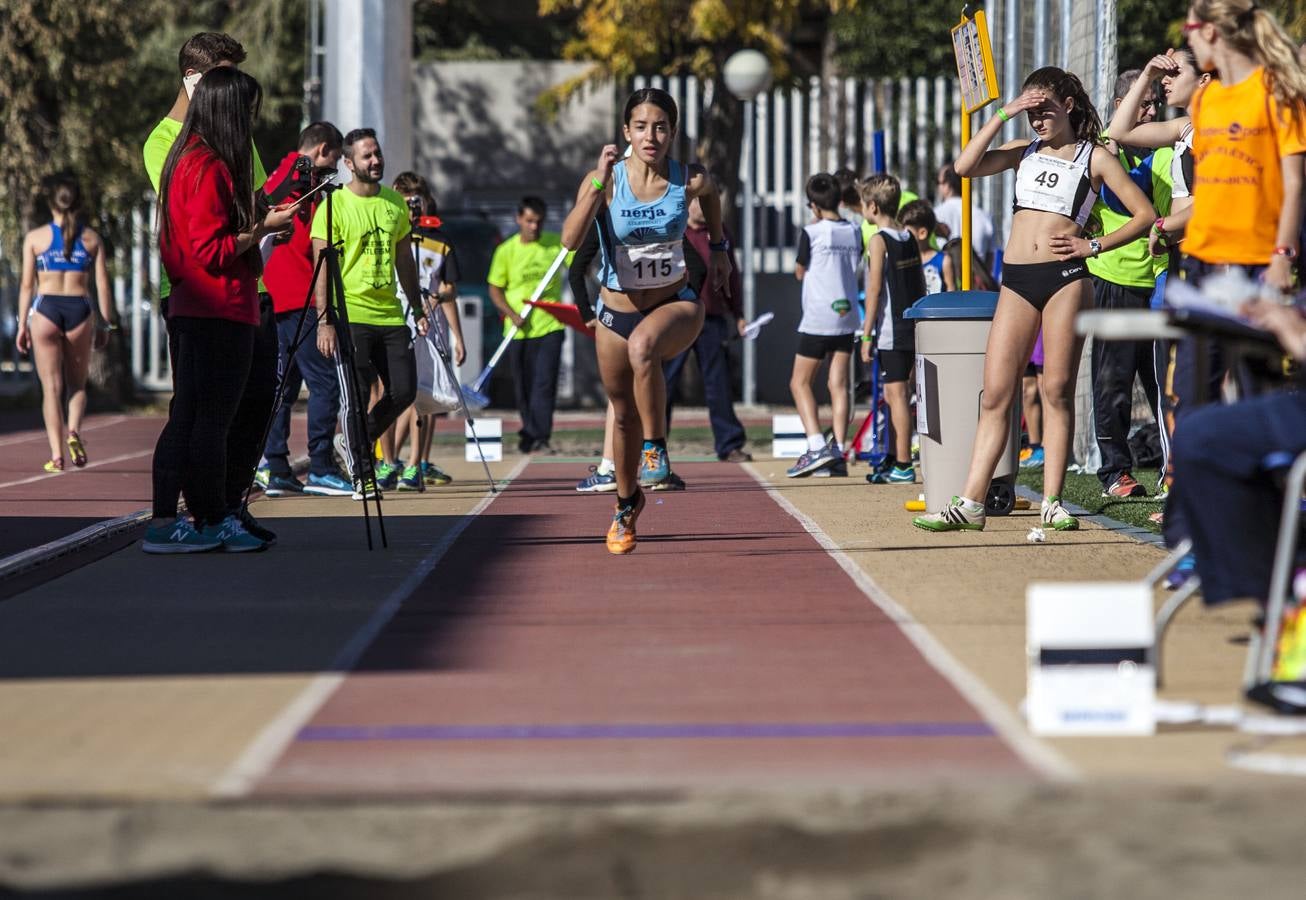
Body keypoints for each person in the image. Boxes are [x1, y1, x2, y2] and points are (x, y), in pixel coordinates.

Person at [913, 66, 1153, 533]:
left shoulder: (1095, 156)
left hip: (1065, 277)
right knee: (997, 393)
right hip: (1017, 279)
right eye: (1031, 112)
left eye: (1044, 109)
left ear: (1067, 103)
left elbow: (1144, 215)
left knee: (1056, 390)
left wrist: (1094, 245)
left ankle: (1053, 501)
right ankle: (971, 502)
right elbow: (965, 167)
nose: (1037, 119)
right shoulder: (1023, 151)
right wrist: (1004, 113)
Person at [1158, 0, 1306, 573]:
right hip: (1203, 266)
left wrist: (1282, 254)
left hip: (1255, 267)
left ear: (1211, 30)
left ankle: (1272, 540)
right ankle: (1186, 539)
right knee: (1191, 400)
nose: (1186, 38)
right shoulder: (1205, 98)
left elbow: (1294, 184)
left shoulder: (1276, 90)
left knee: (1260, 402)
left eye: (1190, 28)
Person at [560, 87, 730, 554]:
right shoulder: (607, 180)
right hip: (615, 311)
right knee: (620, 418)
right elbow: (571, 242)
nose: (650, 135)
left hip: (676, 302)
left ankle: (657, 447)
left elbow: (711, 194)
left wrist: (718, 249)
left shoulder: (688, 178)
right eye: (641, 126)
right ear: (625, 132)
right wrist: (595, 183)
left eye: (660, 127)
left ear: (672, 131)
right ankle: (625, 503)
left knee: (644, 349)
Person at [143, 68, 296, 554]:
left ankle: (197, 517)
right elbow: (209, 250)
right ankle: (209, 516)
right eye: (246, 112)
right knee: (210, 420)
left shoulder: (189, 160)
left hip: (204, 305)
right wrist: (262, 229)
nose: (250, 122)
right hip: (216, 308)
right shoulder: (205, 165)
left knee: (197, 417)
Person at [1111, 45, 1212, 503]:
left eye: (1176, 73)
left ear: (1206, 79)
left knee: (1195, 382)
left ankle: (1193, 489)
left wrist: (1163, 224)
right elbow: (1119, 131)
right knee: (1175, 381)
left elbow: (1212, 202)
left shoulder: (1216, 128)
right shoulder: (1184, 127)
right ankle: (1180, 486)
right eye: (1164, 76)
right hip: (1178, 266)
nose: (1166, 83)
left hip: (1205, 267)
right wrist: (1147, 73)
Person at [311, 128, 429, 499]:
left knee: (404, 391)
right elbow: (321, 267)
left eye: (377, 153)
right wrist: (324, 320)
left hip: (391, 315)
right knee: (358, 395)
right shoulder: (333, 207)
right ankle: (363, 476)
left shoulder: (394, 203)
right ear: (348, 163)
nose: (375, 161)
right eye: (366, 156)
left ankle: (357, 443)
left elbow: (404, 260)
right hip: (351, 315)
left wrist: (417, 305)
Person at [1088, 69, 1173, 501]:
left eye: (1157, 102)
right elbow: (1122, 199)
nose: (1153, 108)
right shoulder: (1106, 148)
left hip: (1158, 283)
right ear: (1123, 104)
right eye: (1145, 101)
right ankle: (1115, 471)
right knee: (1113, 384)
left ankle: (1168, 467)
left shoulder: (1166, 148)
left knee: (1163, 386)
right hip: (1114, 279)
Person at [256, 120, 352, 497]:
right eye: (335, 159)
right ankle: (322, 467)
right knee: (325, 384)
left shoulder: (296, 177)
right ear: (323, 149)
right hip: (300, 296)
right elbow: (272, 201)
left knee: (284, 387)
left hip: (282, 296)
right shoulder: (296, 172)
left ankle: (277, 466)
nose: (337, 169)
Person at [15, 174, 118, 473]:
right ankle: (73, 431)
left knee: (51, 389)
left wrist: (23, 324)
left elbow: (25, 286)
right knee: (77, 385)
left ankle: (57, 455)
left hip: (46, 308)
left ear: (51, 204)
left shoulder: (35, 239)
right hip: (79, 311)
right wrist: (106, 324)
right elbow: (103, 285)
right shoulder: (92, 239)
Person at [386, 171, 466, 490]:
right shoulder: (390, 234)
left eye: (416, 201)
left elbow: (448, 290)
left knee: (426, 393)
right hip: (394, 318)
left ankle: (415, 462)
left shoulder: (439, 240)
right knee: (392, 391)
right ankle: (386, 460)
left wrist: (458, 336)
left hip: (428, 324)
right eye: (406, 202)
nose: (412, 209)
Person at [663, 183, 750, 463]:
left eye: (709, 202)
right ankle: (652, 445)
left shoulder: (721, 233)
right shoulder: (673, 230)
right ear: (687, 203)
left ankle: (729, 443)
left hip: (711, 317)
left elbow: (732, 274)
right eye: (699, 202)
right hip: (675, 316)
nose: (704, 207)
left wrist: (738, 313)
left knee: (718, 382)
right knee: (663, 382)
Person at [783, 173, 862, 479]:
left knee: (799, 382)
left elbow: (800, 271)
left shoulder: (811, 232)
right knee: (838, 385)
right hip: (847, 315)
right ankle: (838, 450)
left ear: (814, 206)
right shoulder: (853, 229)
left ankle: (817, 445)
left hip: (818, 316)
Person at [488, 197, 570, 454]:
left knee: (544, 383)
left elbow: (579, 258)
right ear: (519, 219)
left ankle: (541, 436)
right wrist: (511, 314)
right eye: (529, 221)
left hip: (550, 326)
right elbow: (495, 290)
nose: (534, 227)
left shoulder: (555, 245)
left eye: (539, 221)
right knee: (522, 386)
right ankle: (529, 432)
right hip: (518, 329)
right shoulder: (507, 251)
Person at [860, 175, 927, 486]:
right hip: (912, 323)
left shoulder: (878, 240)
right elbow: (920, 282)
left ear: (872, 207)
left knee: (897, 395)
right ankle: (895, 457)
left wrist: (866, 334)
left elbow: (873, 291)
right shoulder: (909, 237)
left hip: (890, 327)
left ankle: (902, 462)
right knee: (898, 394)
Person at [933, 162, 995, 269]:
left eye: (938, 183)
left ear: (947, 185)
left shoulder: (935, 214)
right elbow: (990, 257)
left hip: (946, 279)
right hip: (976, 282)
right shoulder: (984, 216)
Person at [899, 199, 955, 294]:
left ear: (922, 233)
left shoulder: (944, 261)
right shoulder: (902, 260)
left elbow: (952, 295)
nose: (901, 236)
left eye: (905, 232)